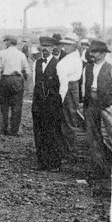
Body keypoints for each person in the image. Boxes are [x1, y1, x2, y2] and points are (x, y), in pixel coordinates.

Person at [80, 40, 112, 195]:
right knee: (93, 137)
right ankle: (100, 170)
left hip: (107, 105)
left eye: (96, 52)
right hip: (91, 104)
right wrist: (85, 103)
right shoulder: (87, 68)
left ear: (103, 53)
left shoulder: (110, 68)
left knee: (110, 135)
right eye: (91, 51)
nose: (92, 54)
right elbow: (84, 86)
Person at [31, 35, 65, 171]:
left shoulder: (58, 64)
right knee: (39, 132)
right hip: (39, 103)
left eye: (48, 47)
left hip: (52, 104)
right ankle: (42, 162)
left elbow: (63, 86)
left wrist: (58, 103)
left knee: (52, 133)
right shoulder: (36, 63)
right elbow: (35, 83)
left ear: (53, 48)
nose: (45, 49)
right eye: (43, 46)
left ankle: (54, 163)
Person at [0, 34, 31, 135]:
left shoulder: (1, 53)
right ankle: (14, 130)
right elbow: (27, 71)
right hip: (17, 80)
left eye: (5, 41)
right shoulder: (21, 54)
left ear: (8, 42)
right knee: (17, 105)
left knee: (4, 105)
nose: (4, 43)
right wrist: (26, 84)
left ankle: (4, 129)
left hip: (5, 79)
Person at [55, 33, 84, 160]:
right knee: (67, 119)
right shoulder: (72, 56)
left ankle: (70, 152)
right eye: (64, 44)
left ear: (74, 46)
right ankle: (66, 150)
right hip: (70, 88)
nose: (64, 47)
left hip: (68, 88)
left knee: (68, 120)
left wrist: (61, 96)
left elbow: (64, 80)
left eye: (67, 45)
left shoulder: (71, 58)